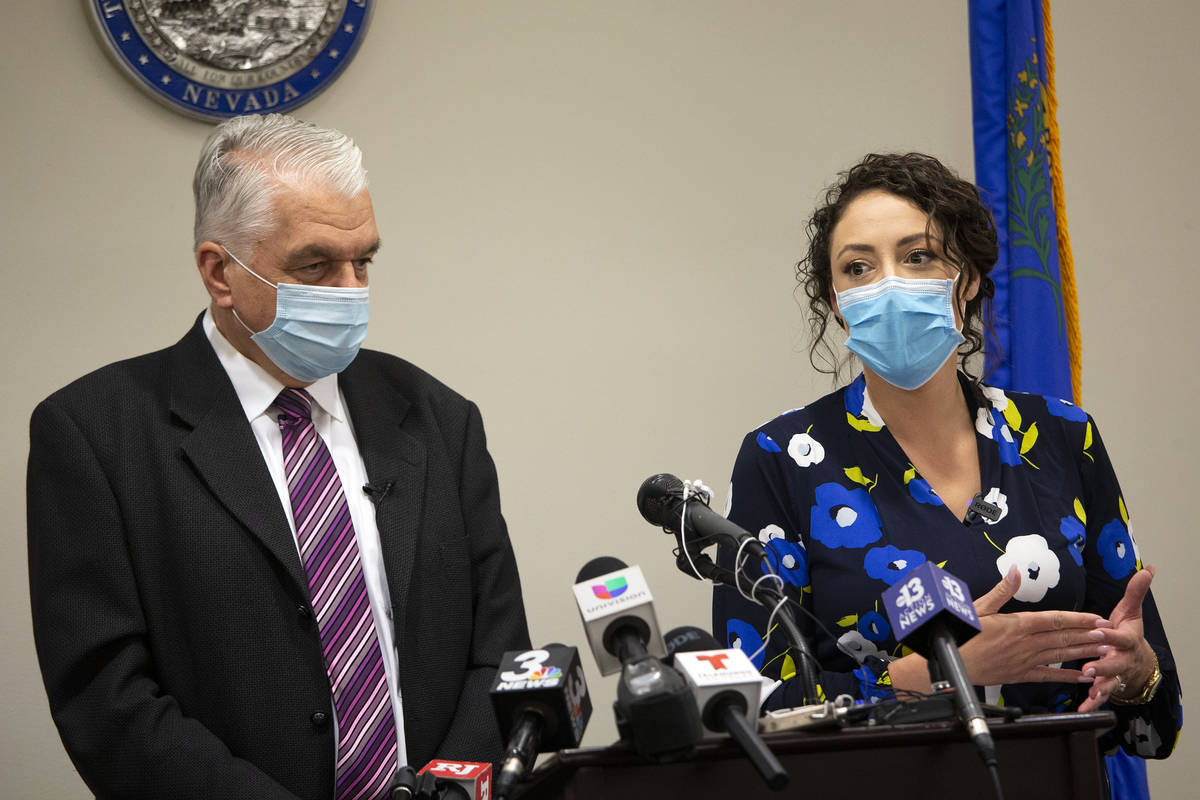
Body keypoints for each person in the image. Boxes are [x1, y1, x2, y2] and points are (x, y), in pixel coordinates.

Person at [27, 114, 531, 800]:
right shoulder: (95, 433)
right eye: (315, 265)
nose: (352, 291)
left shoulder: (440, 419)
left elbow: (500, 655)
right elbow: (107, 700)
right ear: (220, 273)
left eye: (365, 261)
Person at [712, 153, 1180, 765]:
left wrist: (1135, 671)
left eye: (918, 257)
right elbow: (750, 712)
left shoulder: (1064, 435)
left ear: (970, 278)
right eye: (858, 267)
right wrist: (939, 672)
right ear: (836, 301)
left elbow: (1156, 724)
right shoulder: (781, 459)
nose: (889, 285)